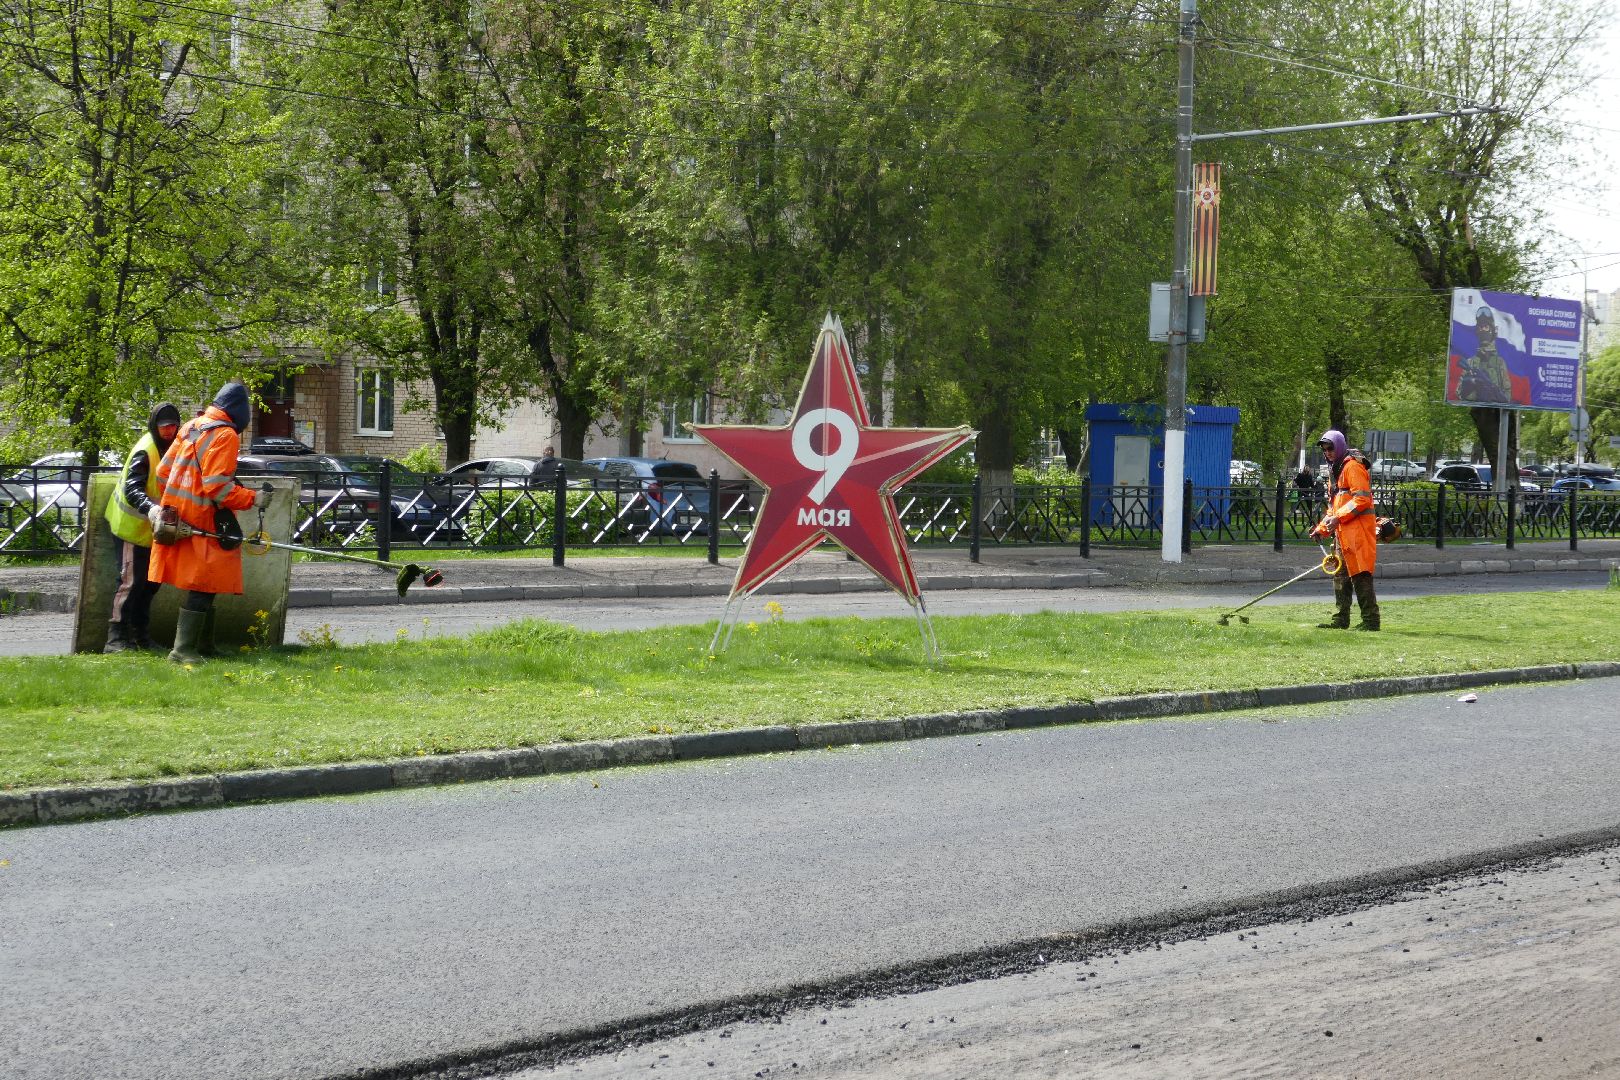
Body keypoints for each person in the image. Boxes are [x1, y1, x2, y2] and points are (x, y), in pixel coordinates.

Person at [147, 381, 269, 664]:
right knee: (204, 582)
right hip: (205, 520)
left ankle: (203, 645)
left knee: (207, 582)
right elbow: (217, 487)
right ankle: (183, 651)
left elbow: (163, 472)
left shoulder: (192, 426)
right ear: (240, 412)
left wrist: (174, 505)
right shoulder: (225, 435)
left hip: (177, 519)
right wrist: (253, 498)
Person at [102, 403, 182, 652]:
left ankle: (140, 637)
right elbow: (132, 488)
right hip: (130, 527)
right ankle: (115, 640)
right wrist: (151, 508)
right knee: (130, 583)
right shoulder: (145, 450)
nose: (169, 431)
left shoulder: (172, 447)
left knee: (150, 584)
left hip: (154, 531)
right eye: (164, 427)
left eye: (173, 427)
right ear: (155, 427)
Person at [1309, 429, 1380, 631]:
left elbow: (1361, 499)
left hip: (1358, 534)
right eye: (1324, 449)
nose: (1327, 452)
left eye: (1330, 447)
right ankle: (1340, 620)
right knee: (1340, 576)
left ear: (1339, 446)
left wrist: (1337, 519)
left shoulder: (1352, 468)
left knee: (1361, 576)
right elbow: (1334, 506)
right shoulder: (1337, 470)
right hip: (1343, 534)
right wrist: (1321, 529)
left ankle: (1371, 621)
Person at [1455, 306, 1512, 403]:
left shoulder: (1499, 362)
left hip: (1496, 411)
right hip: (1478, 409)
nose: (1483, 330)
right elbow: (1460, 394)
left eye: (1486, 327)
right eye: (1481, 327)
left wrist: (1491, 393)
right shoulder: (1471, 362)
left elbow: (1507, 396)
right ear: (1477, 331)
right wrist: (1472, 383)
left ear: (1493, 330)